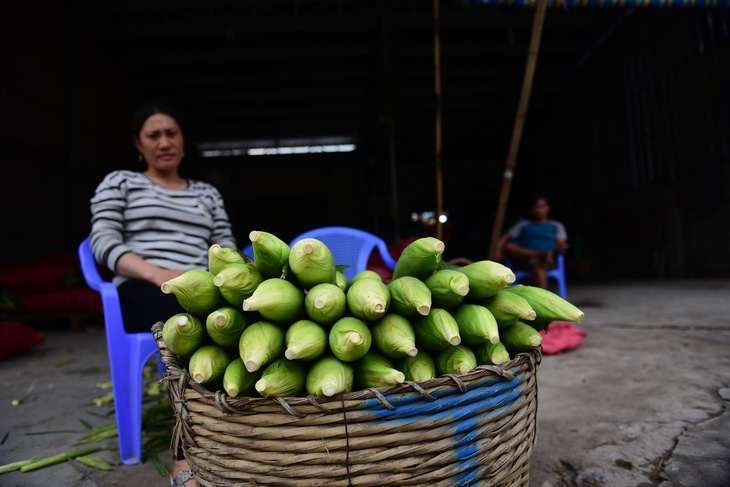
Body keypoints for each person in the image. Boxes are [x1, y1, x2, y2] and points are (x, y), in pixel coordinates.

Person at [88, 101, 237, 487]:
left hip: (203, 287)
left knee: (240, 320)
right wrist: (159, 274)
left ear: (183, 141)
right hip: (144, 286)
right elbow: (102, 243)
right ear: (139, 144)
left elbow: (226, 248)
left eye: (172, 133)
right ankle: (186, 455)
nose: (164, 142)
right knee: (191, 324)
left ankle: (242, 431)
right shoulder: (120, 182)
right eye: (153, 135)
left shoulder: (207, 193)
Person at [496, 195, 567, 290]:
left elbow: (561, 245)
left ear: (548, 208)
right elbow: (503, 239)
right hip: (523, 259)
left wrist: (561, 248)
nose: (539, 210)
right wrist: (497, 253)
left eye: (542, 206)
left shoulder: (556, 226)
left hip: (547, 260)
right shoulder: (523, 225)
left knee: (537, 261)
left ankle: (542, 296)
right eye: (536, 206)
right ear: (531, 209)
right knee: (509, 246)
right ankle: (539, 254)